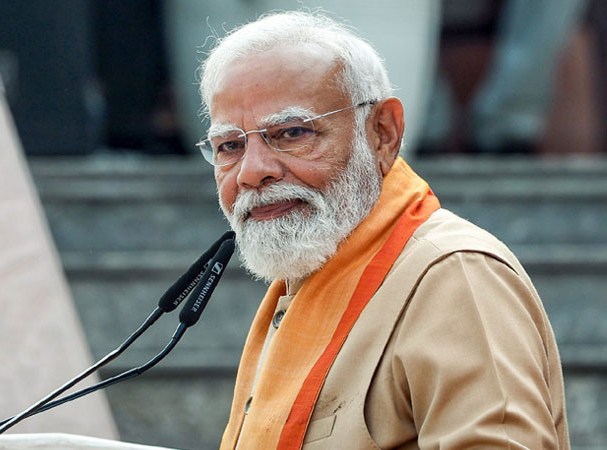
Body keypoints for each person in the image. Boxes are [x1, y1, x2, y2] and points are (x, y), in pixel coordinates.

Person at [195, 11, 570, 449]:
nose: (251, 172)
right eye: (230, 145)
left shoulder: (455, 275)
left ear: (383, 133)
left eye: (292, 133)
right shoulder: (307, 275)